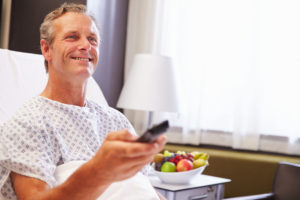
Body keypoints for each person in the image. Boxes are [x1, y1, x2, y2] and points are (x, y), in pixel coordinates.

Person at [0, 3, 166, 200]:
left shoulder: (116, 121)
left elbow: (141, 187)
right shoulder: (28, 124)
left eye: (92, 39)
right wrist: (100, 171)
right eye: (72, 37)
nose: (86, 45)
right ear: (47, 49)